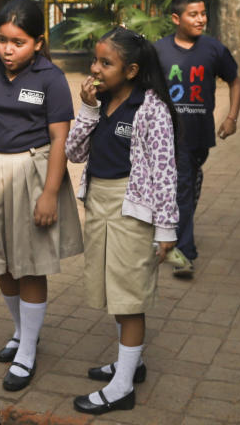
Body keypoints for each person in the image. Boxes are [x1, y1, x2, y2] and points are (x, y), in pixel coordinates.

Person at [0, 0, 83, 392]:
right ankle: (25, 333)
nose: (8, 49)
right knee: (1, 260)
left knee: (30, 264)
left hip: (36, 172)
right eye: (2, 40)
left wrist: (50, 194)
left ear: (38, 43)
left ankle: (27, 352)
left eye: (18, 42)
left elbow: (60, 138)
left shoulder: (50, 78)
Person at [65, 27, 178, 415]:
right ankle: (134, 364)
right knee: (115, 290)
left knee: (129, 298)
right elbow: (74, 152)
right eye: (94, 60)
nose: (95, 69)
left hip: (133, 207)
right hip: (99, 202)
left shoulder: (151, 107)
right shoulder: (103, 101)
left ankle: (123, 387)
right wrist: (89, 109)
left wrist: (166, 228)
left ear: (131, 70)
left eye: (105, 63)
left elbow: (165, 171)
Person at [153, 0, 240, 278]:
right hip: (166, 135)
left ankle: (176, 221)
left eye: (203, 13)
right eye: (194, 14)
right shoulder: (159, 50)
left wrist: (231, 117)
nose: (201, 19)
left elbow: (235, 81)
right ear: (176, 18)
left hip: (199, 134)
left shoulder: (214, 50)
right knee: (182, 187)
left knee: (185, 186)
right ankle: (185, 253)